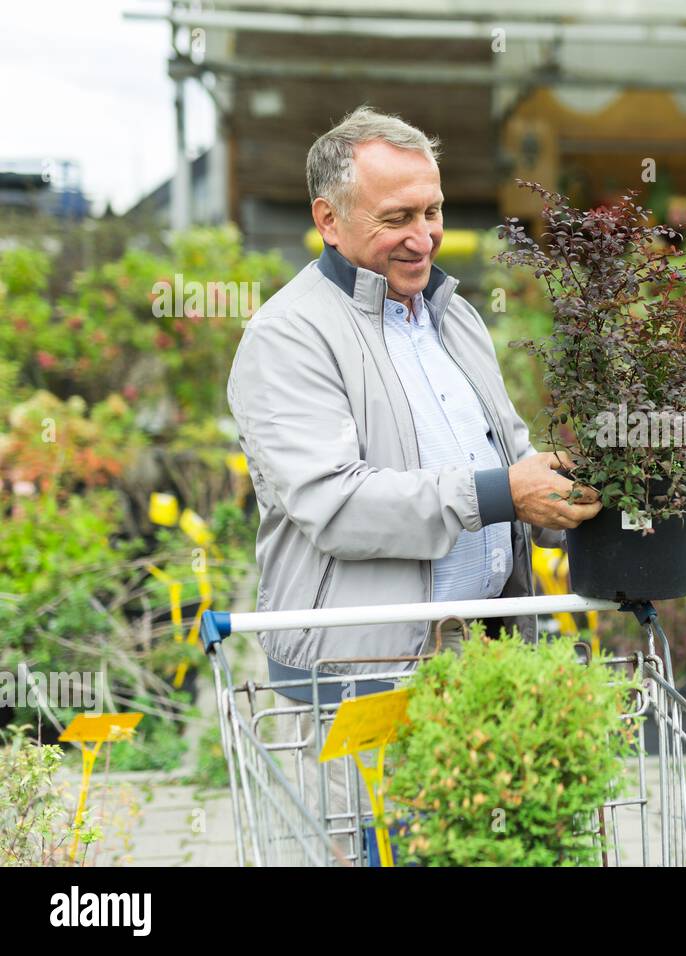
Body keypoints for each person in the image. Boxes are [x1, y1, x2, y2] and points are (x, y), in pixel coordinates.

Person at [225, 106, 600, 850]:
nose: (423, 236)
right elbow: (335, 503)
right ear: (329, 220)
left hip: (479, 662)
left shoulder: (453, 317)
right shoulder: (287, 337)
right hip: (361, 675)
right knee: (363, 853)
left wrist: (570, 497)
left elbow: (507, 450)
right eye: (397, 217)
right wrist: (500, 493)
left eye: (432, 211)